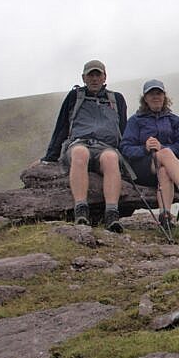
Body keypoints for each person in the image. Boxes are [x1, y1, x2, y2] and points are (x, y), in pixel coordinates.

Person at [41, 60, 128, 232]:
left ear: (105, 77)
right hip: (79, 143)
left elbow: (123, 129)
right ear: (83, 77)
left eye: (98, 75)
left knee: (111, 158)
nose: (94, 79)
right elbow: (62, 127)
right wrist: (49, 158)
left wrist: (130, 158)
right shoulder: (75, 96)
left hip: (106, 147)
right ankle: (81, 209)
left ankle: (111, 213)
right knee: (80, 153)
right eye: (91, 75)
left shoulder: (116, 99)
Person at [120, 79, 179, 229]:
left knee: (165, 170)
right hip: (141, 170)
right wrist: (144, 148)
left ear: (164, 96)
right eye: (151, 94)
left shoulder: (174, 120)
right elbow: (125, 148)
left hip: (162, 167)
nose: (155, 97)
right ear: (145, 99)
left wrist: (162, 147)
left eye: (159, 93)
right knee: (165, 153)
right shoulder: (135, 121)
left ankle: (165, 216)